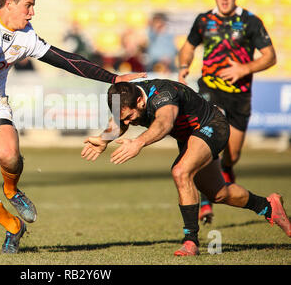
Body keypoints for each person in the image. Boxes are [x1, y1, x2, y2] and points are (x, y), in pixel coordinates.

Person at [0, 0, 145, 254]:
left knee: (9, 154)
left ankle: (11, 190)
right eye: (28, 5)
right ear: (9, 3)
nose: (33, 12)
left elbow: (67, 60)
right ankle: (13, 227)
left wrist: (113, 78)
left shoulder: (26, 37)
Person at [81, 80, 290, 256]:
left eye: (130, 117)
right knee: (218, 193)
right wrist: (104, 139)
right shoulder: (123, 97)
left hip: (212, 125)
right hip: (190, 138)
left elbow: (164, 123)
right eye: (123, 117)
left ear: (140, 101)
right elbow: (118, 123)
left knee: (181, 171)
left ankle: (191, 241)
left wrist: (138, 142)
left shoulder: (164, 95)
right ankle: (269, 206)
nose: (128, 122)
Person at [178, 0, 276, 224]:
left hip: (240, 97)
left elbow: (270, 57)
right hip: (209, 92)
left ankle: (222, 183)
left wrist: (243, 69)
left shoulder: (250, 22)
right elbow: (188, 47)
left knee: (232, 155)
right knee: (207, 144)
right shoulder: (203, 20)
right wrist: (183, 66)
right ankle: (207, 200)